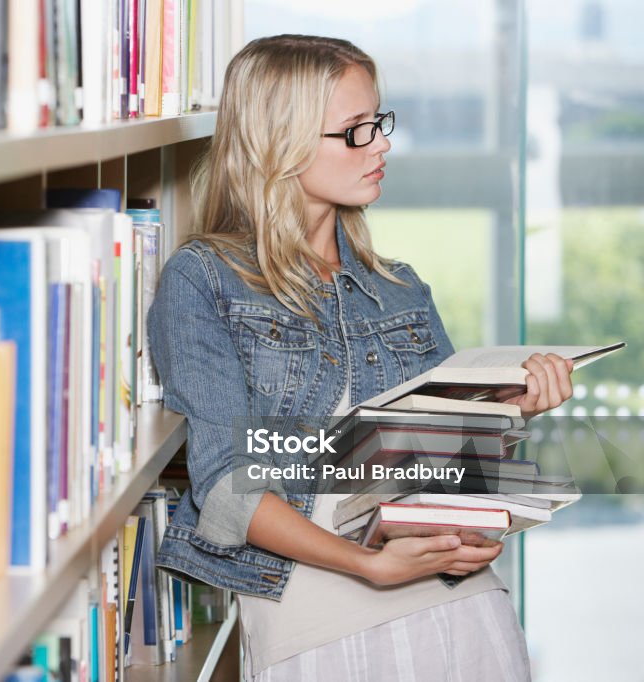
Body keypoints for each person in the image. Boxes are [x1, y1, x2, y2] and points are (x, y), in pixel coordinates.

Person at [146, 35, 574, 681]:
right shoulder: (204, 280)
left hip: (467, 614)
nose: (382, 144)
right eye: (356, 131)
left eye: (379, 123)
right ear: (278, 143)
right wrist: (368, 566)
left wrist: (506, 415)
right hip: (319, 638)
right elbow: (228, 487)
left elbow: (451, 477)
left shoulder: (399, 286)